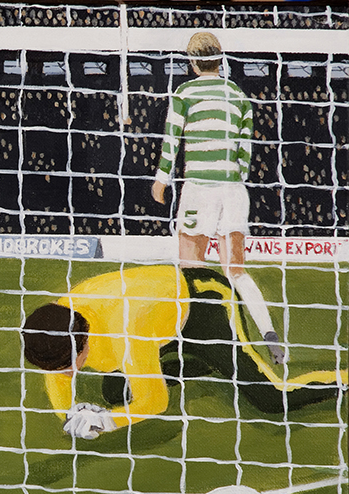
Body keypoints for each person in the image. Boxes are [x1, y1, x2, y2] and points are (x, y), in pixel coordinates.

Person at [22, 265, 347, 441]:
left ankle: (343, 377)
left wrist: (105, 421)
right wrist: (69, 415)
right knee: (116, 392)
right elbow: (55, 373)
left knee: (270, 399)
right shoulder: (57, 322)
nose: (66, 375)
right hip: (160, 322)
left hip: (203, 305)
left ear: (84, 343)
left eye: (70, 366)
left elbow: (154, 402)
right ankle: (201, 363)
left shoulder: (125, 330)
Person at [151, 32, 285, 365]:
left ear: (193, 61)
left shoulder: (185, 93)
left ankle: (195, 341)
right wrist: (233, 180)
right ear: (219, 59)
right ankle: (269, 335)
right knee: (236, 271)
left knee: (191, 268)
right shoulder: (238, 95)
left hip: (200, 188)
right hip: (234, 191)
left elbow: (172, 140)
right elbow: (245, 151)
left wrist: (161, 179)